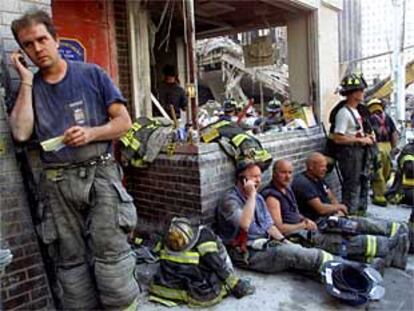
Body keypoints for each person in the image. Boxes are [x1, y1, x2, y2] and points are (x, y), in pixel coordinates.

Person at [9, 10, 139, 310]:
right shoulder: (31, 89)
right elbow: (19, 132)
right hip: (57, 183)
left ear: (56, 39)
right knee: (71, 262)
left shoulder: (92, 74)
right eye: (28, 45)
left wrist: (92, 133)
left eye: (42, 39)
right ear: (23, 51)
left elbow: (124, 122)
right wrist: (26, 81)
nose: (37, 48)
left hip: (101, 175)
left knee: (112, 256)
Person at [261, 158, 398, 264]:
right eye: (283, 172)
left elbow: (294, 212)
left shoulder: (287, 188)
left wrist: (304, 219)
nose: (288, 176)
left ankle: (381, 252)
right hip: (298, 237)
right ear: (274, 173)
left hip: (309, 228)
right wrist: (303, 225)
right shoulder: (272, 197)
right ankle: (387, 246)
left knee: (348, 231)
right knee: (341, 243)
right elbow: (279, 229)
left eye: (290, 172)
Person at [216, 161, 339, 276]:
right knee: (294, 254)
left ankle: (338, 268)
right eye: (254, 177)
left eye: (259, 176)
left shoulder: (258, 199)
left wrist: (285, 242)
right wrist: (251, 196)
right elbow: (244, 225)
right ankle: (339, 269)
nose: (258, 180)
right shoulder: (230, 200)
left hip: (264, 244)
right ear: (242, 179)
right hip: (245, 252)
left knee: (299, 250)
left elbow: (269, 226)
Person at [291, 153, 409, 269]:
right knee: (358, 240)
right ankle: (388, 248)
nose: (325, 169)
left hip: (332, 218)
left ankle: (396, 234)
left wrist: (338, 209)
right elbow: (320, 208)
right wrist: (339, 208)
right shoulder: (302, 183)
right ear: (311, 166)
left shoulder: (318, 179)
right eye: (322, 166)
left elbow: (330, 196)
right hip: (320, 224)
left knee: (362, 223)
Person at [149, 217, 255, 307]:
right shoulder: (203, 237)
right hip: (199, 290)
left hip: (166, 287)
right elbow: (217, 265)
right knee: (217, 279)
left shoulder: (165, 241)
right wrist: (237, 286)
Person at [329, 73, 375, 215]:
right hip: (349, 155)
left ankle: (360, 214)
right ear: (352, 93)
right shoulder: (344, 113)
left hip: (359, 153)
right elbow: (338, 138)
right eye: (360, 90)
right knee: (352, 187)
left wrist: (366, 137)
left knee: (362, 183)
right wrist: (361, 140)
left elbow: (353, 132)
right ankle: (350, 217)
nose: (362, 93)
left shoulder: (356, 111)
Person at [367, 98, 398, 206]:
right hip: (387, 146)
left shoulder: (369, 119)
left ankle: (379, 196)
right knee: (386, 170)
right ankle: (382, 193)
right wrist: (394, 147)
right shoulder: (388, 118)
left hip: (376, 147)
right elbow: (394, 134)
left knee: (377, 171)